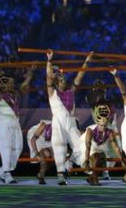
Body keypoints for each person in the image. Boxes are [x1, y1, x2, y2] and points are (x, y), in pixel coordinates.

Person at [46, 50, 92, 185]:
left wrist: (86, 61)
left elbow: (79, 76)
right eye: (61, 79)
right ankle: (60, 174)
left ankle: (77, 164)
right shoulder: (52, 92)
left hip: (71, 122)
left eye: (64, 78)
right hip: (58, 122)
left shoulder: (70, 92)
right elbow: (48, 78)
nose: (64, 80)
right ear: (56, 82)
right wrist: (49, 61)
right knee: (59, 146)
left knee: (79, 145)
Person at [0, 66, 35, 184]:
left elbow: (24, 86)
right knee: (6, 149)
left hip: (15, 124)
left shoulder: (14, 94)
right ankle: (7, 173)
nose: (13, 84)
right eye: (11, 83)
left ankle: (3, 170)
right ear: (5, 85)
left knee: (18, 148)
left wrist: (30, 73)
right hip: (4, 126)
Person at [82, 105, 125, 186]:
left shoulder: (109, 131)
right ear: (97, 123)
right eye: (101, 125)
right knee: (96, 157)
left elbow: (115, 147)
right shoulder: (90, 131)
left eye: (105, 125)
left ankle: (91, 177)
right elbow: (87, 147)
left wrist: (122, 160)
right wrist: (86, 161)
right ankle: (94, 179)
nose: (103, 127)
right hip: (88, 148)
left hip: (101, 149)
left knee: (101, 158)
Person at [27, 120, 53, 184]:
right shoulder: (44, 125)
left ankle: (40, 174)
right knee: (43, 157)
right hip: (35, 137)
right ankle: (41, 178)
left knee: (52, 158)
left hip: (47, 139)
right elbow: (33, 139)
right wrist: (36, 153)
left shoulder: (59, 130)